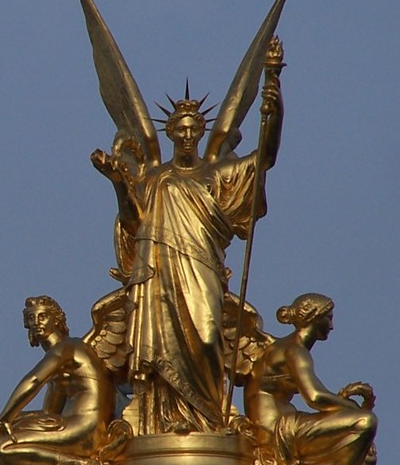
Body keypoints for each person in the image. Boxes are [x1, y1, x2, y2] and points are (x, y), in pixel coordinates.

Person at [92, 79, 283, 435]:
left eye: (192, 129)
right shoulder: (154, 178)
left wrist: (274, 103)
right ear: (169, 133)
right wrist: (118, 182)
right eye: (179, 129)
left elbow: (266, 157)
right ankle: (164, 422)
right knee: (160, 345)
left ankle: (210, 419)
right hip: (160, 272)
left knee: (209, 338)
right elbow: (135, 222)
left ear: (200, 131)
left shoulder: (217, 175)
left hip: (203, 268)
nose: (186, 135)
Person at [0, 296, 119, 465]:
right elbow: (49, 414)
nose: (36, 321)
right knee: (7, 435)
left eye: (43, 316)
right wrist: (13, 420)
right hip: (74, 425)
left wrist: (5, 419)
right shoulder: (60, 366)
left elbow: (34, 380)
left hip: (86, 428)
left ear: (57, 320)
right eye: (31, 318)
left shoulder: (68, 348)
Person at [242, 293, 377, 465]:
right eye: (328, 318)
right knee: (365, 422)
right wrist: (352, 407)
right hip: (278, 432)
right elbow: (315, 397)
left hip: (278, 426)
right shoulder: (294, 351)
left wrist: (341, 403)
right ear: (314, 317)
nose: (331, 326)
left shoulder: (281, 347)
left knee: (358, 428)